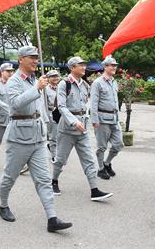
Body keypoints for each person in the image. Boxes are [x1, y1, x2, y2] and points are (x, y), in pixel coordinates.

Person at [0, 45, 72, 233]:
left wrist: (47, 124)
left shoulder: (36, 80)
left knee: (44, 180)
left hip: (38, 137)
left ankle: (52, 218)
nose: (35, 61)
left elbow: (40, 108)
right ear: (21, 59)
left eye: (36, 58)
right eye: (31, 57)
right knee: (9, 177)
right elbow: (14, 104)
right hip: (19, 137)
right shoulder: (14, 81)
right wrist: (36, 89)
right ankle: (3, 205)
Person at [51, 57, 112, 201]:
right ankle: (53, 181)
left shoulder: (85, 85)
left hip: (82, 128)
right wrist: (74, 121)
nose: (84, 67)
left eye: (84, 65)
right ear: (72, 68)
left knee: (88, 160)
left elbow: (86, 105)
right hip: (67, 128)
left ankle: (94, 190)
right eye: (81, 65)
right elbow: (62, 106)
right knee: (60, 159)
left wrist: (88, 119)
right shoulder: (63, 84)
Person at [90, 56, 124, 180]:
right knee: (102, 146)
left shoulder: (114, 81)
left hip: (114, 118)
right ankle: (100, 169)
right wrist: (94, 120)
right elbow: (93, 102)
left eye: (115, 65)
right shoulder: (97, 83)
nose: (114, 67)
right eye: (112, 65)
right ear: (105, 67)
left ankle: (107, 162)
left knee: (118, 144)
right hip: (102, 118)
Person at [45, 70, 60, 161]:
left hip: (61, 113)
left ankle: (52, 147)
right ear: (49, 78)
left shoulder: (61, 87)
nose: (55, 78)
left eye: (56, 76)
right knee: (53, 136)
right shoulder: (45, 89)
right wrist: (46, 116)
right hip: (51, 113)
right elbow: (44, 104)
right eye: (53, 76)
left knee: (60, 135)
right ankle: (54, 155)